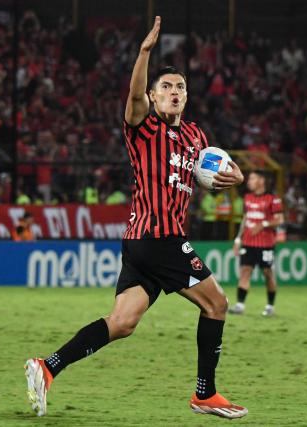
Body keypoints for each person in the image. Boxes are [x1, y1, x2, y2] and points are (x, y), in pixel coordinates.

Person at [24, 17, 247, 419]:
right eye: (166, 87)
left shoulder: (196, 137)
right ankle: (205, 393)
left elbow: (218, 169)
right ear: (152, 95)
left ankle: (47, 368)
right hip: (158, 238)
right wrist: (144, 54)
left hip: (144, 244)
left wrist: (238, 175)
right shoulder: (143, 126)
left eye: (180, 86)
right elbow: (132, 97)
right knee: (216, 304)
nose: (174, 92)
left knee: (123, 322)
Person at [228, 171, 284, 317]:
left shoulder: (273, 199)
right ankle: (239, 305)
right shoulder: (247, 198)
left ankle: (270, 306)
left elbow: (279, 220)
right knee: (245, 272)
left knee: (268, 273)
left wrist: (263, 224)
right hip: (248, 242)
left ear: (261, 180)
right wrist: (238, 240)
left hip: (266, 244)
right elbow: (245, 220)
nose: (249, 181)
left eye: (252, 178)